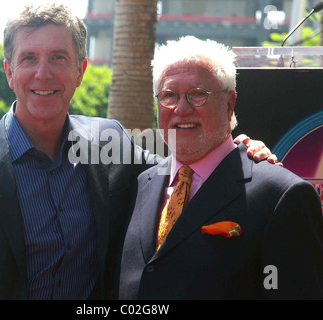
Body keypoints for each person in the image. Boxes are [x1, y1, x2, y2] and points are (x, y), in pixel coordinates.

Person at [0, 4, 274, 300]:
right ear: (9, 72)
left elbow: (184, 169)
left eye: (58, 58)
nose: (43, 74)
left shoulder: (111, 142)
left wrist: (238, 149)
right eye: (29, 58)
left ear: (80, 71)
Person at [117, 36, 323, 300]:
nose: (181, 108)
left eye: (198, 94)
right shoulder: (140, 185)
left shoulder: (281, 196)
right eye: (169, 95)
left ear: (229, 104)